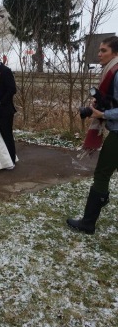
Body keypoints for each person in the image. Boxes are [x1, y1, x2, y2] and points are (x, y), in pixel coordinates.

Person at [67, 36, 118, 234]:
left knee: (101, 174)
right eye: (99, 50)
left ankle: (88, 223)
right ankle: (100, 200)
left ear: (115, 53)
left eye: (103, 50)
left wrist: (103, 114)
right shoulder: (110, 71)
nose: (99, 54)